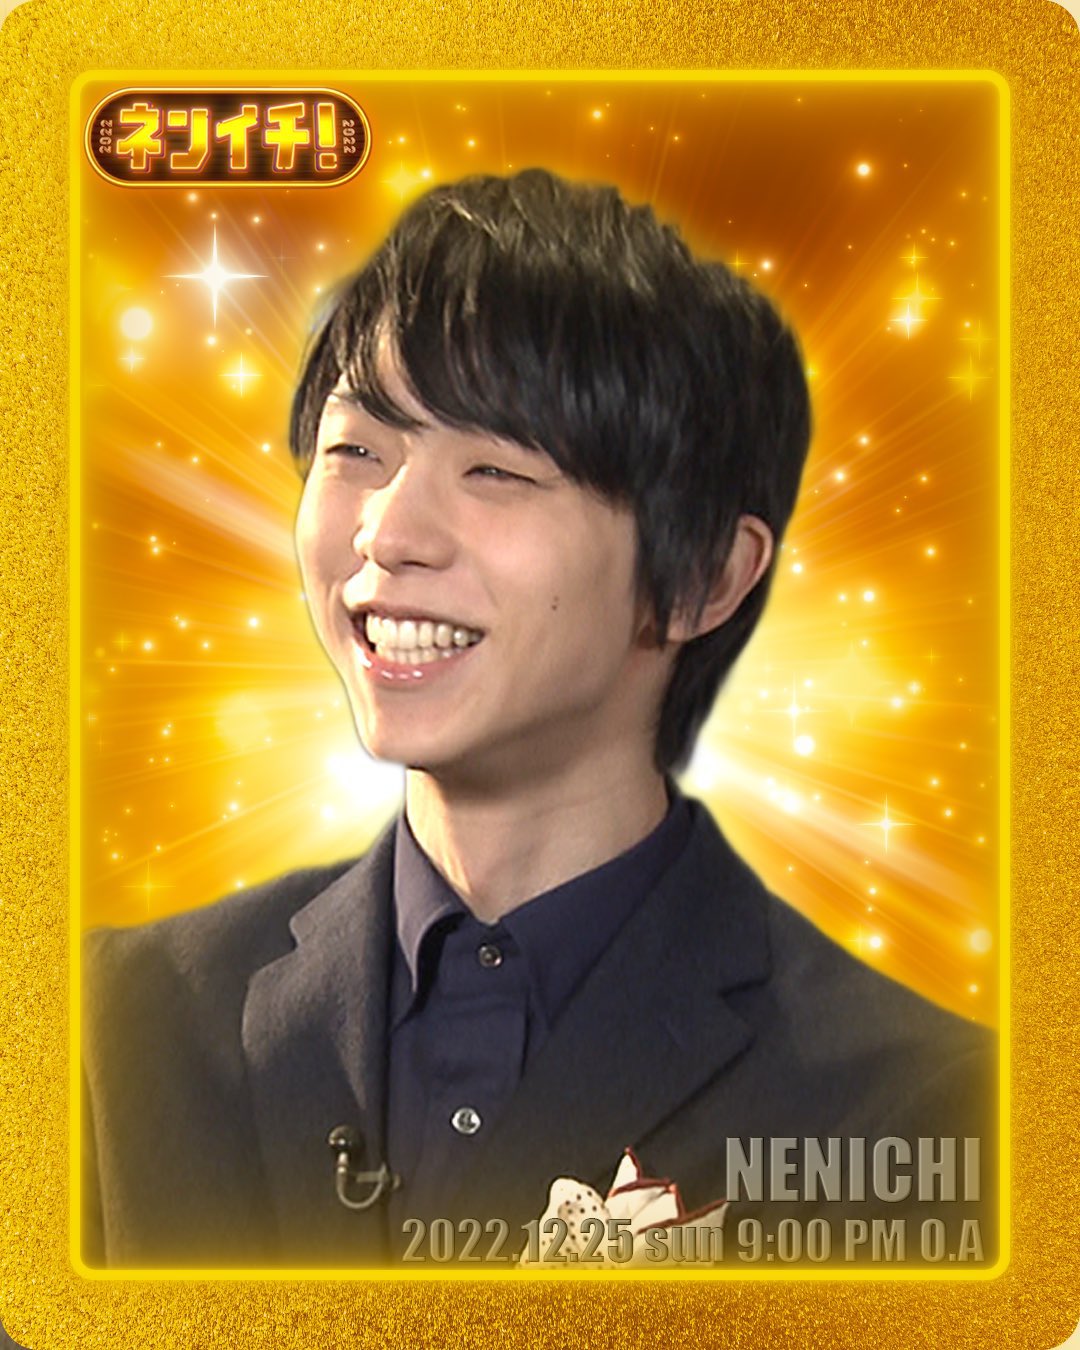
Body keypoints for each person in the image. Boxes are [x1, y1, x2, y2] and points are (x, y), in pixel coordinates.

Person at [82, 170, 995, 1269]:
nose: (388, 533)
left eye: (495, 469)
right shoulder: (113, 1027)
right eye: (357, 451)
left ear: (704, 577)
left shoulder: (928, 1109)